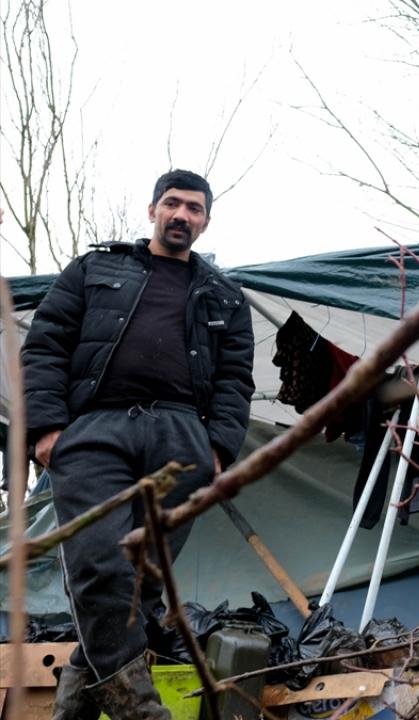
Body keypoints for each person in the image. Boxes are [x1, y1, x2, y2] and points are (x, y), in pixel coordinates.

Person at [23, 169, 254, 719]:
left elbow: (234, 382)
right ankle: (143, 712)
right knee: (101, 569)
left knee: (140, 589)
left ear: (205, 221)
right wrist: (48, 429)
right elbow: (45, 347)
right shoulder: (93, 269)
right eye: (172, 204)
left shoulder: (225, 295)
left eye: (194, 209)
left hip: (181, 439)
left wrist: (216, 449)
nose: (182, 215)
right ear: (152, 210)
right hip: (95, 430)